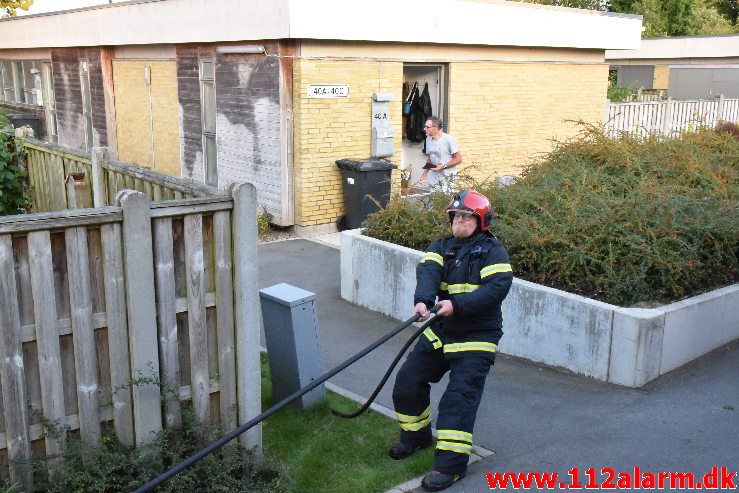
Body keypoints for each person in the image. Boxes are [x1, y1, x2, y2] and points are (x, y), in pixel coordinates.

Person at [389, 190, 513, 492]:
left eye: (466, 216)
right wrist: (422, 302)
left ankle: (450, 467)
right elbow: (428, 272)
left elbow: (496, 288)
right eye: (456, 215)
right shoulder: (441, 247)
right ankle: (416, 437)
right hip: (442, 330)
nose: (459, 220)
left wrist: (456, 305)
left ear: (480, 221)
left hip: (477, 336)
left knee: (458, 400)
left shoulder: (492, 252)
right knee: (407, 383)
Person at [420, 116, 462, 194]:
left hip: (447, 177)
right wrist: (424, 174)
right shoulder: (428, 139)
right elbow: (430, 158)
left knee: (444, 201)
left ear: (436, 128)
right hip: (434, 176)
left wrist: (442, 167)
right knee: (434, 200)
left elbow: (459, 159)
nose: (424, 129)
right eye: (425, 126)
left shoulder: (448, 139)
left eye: (427, 127)